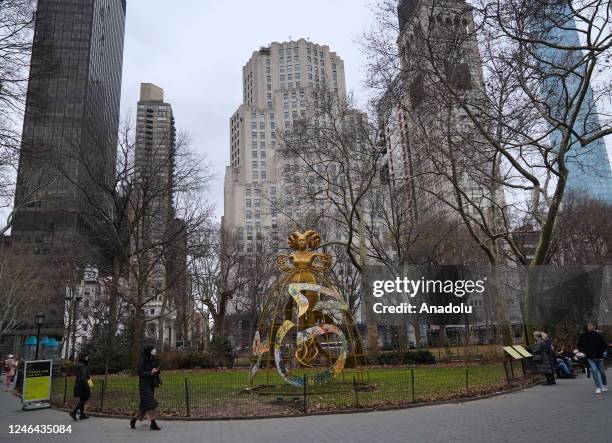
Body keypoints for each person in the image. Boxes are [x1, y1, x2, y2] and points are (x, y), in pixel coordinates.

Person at [130, 345, 161, 431]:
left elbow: (156, 369)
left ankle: (134, 420)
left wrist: (157, 371)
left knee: (144, 405)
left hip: (151, 384)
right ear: (149, 351)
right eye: (152, 349)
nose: (154, 350)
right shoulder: (142, 360)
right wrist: (150, 372)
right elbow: (140, 374)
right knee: (150, 403)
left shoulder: (153, 359)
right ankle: (153, 424)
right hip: (144, 385)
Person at [577, 323, 608, 394]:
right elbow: (579, 345)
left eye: (592, 326)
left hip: (599, 356)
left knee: (602, 372)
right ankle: (598, 387)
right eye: (590, 326)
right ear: (586, 328)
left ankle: (604, 385)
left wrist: (602, 351)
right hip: (589, 357)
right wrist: (584, 352)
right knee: (594, 370)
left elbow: (604, 345)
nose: (592, 326)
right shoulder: (583, 336)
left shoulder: (598, 335)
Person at [69, 352, 92, 421]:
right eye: (87, 357)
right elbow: (85, 377)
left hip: (78, 384)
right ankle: (74, 412)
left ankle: (82, 414)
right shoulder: (83, 366)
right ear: (84, 357)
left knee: (82, 399)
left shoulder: (78, 364)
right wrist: (90, 385)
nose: (88, 358)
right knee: (85, 398)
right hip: (84, 385)